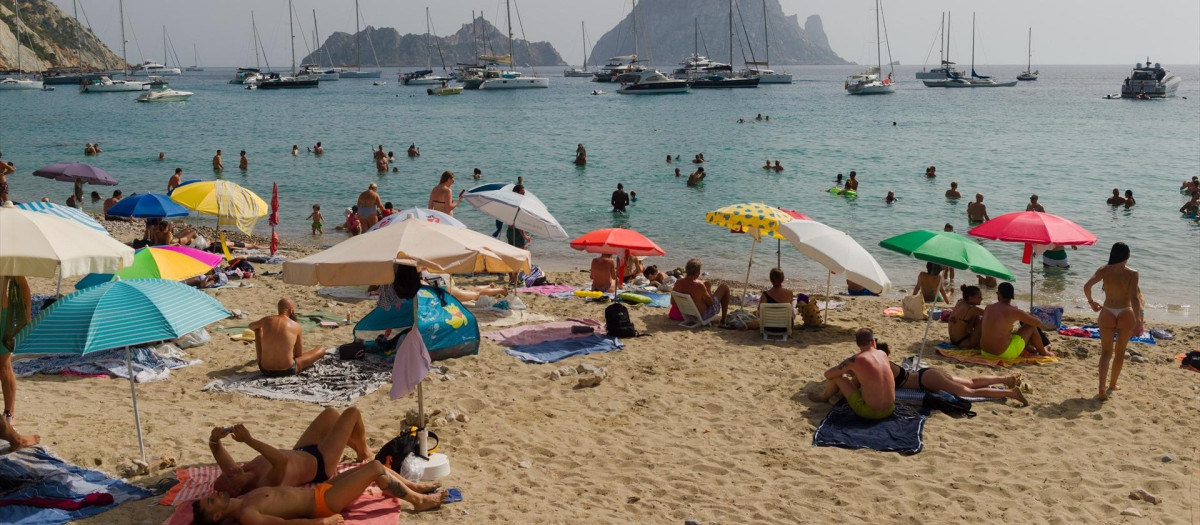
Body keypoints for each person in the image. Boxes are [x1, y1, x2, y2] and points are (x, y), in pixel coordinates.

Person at [193, 459, 445, 524]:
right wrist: (321, 521)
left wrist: (216, 442)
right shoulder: (247, 513)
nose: (213, 494)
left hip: (321, 490)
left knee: (368, 466)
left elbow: (229, 471)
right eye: (210, 501)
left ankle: (410, 487)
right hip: (323, 503)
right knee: (376, 469)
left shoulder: (242, 497)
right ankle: (419, 500)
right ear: (217, 516)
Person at [1083, 242, 1144, 401]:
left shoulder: (1104, 270)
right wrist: (1138, 320)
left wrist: (1091, 302)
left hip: (1108, 311)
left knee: (1106, 353)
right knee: (1120, 352)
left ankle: (1101, 388)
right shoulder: (1133, 273)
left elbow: (1087, 286)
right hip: (1125, 312)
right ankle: (1113, 385)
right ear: (1127, 256)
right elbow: (1134, 298)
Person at [809, 328, 895, 420]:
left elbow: (828, 375)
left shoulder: (855, 360)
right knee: (860, 375)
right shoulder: (882, 354)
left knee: (838, 377)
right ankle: (839, 395)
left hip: (870, 412)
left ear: (857, 344)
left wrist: (845, 371)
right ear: (873, 342)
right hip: (890, 409)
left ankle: (824, 397)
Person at [249, 298, 327, 377]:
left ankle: (263, 358)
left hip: (264, 369)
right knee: (321, 350)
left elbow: (251, 326)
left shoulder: (266, 320)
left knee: (257, 329)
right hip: (287, 370)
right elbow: (298, 354)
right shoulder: (296, 326)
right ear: (291, 310)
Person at [980, 282, 1053, 360]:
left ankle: (1032, 348)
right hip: (1002, 354)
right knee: (1031, 327)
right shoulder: (1014, 311)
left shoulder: (988, 308)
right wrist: (1027, 314)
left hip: (985, 352)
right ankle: (1043, 352)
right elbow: (1037, 323)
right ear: (1012, 295)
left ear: (998, 293)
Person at [0, 275, 31, 422]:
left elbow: (22, 283)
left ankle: (9, 413)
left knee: (4, 364)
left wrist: (27, 316)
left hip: (1, 314)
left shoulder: (6, 256)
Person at [672, 258, 731, 325]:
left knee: (707, 284)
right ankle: (723, 320)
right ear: (698, 272)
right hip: (702, 316)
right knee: (724, 287)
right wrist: (708, 293)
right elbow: (710, 303)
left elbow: (672, 302)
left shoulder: (678, 282)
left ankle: (723, 320)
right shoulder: (699, 285)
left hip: (688, 315)